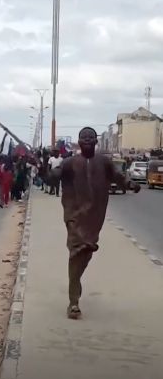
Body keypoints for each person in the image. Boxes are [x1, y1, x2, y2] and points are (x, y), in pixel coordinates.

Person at [59, 127, 140, 320]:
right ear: (78, 142)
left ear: (96, 142)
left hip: (94, 219)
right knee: (75, 254)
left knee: (84, 256)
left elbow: (119, 177)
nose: (87, 140)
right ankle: (74, 302)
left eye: (90, 137)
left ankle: (75, 283)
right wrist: (47, 172)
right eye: (83, 138)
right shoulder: (69, 163)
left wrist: (130, 184)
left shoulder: (104, 162)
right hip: (74, 215)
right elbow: (53, 177)